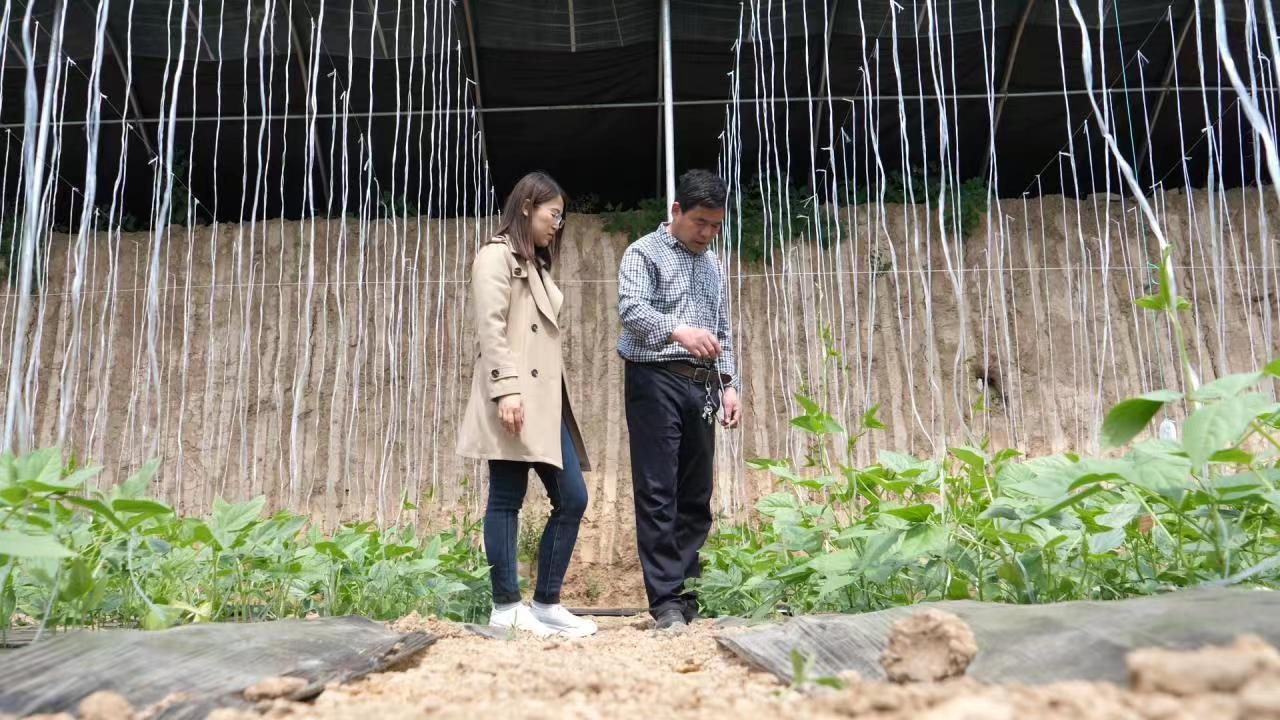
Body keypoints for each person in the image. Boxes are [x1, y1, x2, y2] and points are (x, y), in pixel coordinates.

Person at [457, 171, 596, 638]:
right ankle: (505, 606)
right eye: (552, 214)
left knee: (572, 497)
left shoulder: (532, 264)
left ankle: (546, 603)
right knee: (506, 498)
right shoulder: (496, 256)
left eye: (560, 217)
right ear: (525, 207)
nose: (557, 224)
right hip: (515, 399)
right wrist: (506, 390)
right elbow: (491, 327)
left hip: (543, 403)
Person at [616, 169, 742, 631]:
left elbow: (723, 328)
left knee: (696, 493)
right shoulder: (643, 253)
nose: (707, 233)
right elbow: (631, 310)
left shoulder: (713, 264)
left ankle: (689, 595)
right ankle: (666, 600)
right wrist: (678, 330)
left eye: (715, 225)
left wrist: (729, 383)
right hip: (655, 380)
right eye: (699, 223)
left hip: (702, 384)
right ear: (676, 211)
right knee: (657, 491)